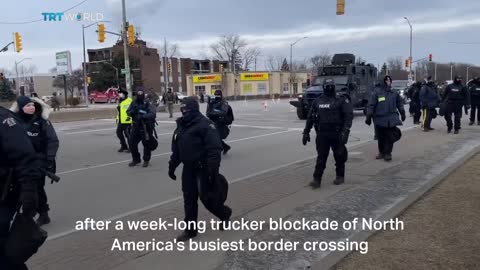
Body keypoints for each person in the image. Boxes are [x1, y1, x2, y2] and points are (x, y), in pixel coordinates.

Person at [168, 97, 232, 241]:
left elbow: (214, 149)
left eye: (186, 109)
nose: (184, 112)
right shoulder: (181, 126)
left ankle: (224, 214)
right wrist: (172, 166)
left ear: (194, 110)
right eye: (182, 109)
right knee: (189, 200)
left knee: (208, 199)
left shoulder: (205, 125)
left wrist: (212, 171)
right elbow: (177, 150)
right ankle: (190, 230)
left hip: (204, 169)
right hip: (188, 170)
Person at [0, 105, 43, 269]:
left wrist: (29, 194)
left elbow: (26, 160)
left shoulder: (5, 120)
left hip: (4, 196)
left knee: (6, 257)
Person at [10, 96, 59, 226]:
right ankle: (23, 214)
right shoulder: (14, 123)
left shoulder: (42, 122)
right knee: (19, 188)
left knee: (36, 188)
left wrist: (49, 159)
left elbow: (52, 141)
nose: (31, 107)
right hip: (20, 162)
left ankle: (42, 214)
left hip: (38, 162)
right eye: (28, 106)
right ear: (21, 108)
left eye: (32, 105)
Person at [302, 78, 353, 189]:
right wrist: (306, 132)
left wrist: (346, 131)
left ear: (334, 86)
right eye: (327, 86)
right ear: (324, 87)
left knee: (339, 155)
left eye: (331, 86)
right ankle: (317, 179)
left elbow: (348, 117)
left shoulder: (341, 99)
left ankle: (340, 176)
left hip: (337, 133)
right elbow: (310, 118)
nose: (329, 88)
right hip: (322, 134)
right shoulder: (318, 101)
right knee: (321, 157)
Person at [366, 75, 406, 161]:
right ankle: (381, 152)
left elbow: (399, 103)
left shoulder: (394, 92)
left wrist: (403, 113)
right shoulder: (377, 92)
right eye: (386, 80)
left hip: (391, 118)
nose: (388, 81)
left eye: (389, 80)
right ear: (383, 81)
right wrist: (369, 116)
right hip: (380, 119)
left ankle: (388, 153)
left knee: (390, 136)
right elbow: (371, 105)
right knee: (381, 137)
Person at [127, 90, 157, 167]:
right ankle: (136, 159)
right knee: (132, 143)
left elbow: (152, 114)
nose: (140, 95)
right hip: (136, 126)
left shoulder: (147, 102)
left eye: (141, 94)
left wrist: (143, 116)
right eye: (138, 94)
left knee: (146, 144)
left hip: (145, 126)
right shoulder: (134, 102)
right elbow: (128, 111)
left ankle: (146, 160)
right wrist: (132, 112)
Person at [206, 90, 234, 155]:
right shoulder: (212, 103)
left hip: (223, 124)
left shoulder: (224, 103)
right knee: (213, 137)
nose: (217, 96)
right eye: (216, 95)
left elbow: (223, 113)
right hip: (214, 123)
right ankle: (225, 147)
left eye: (218, 95)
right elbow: (208, 113)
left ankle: (221, 149)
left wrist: (213, 112)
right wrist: (209, 104)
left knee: (216, 138)